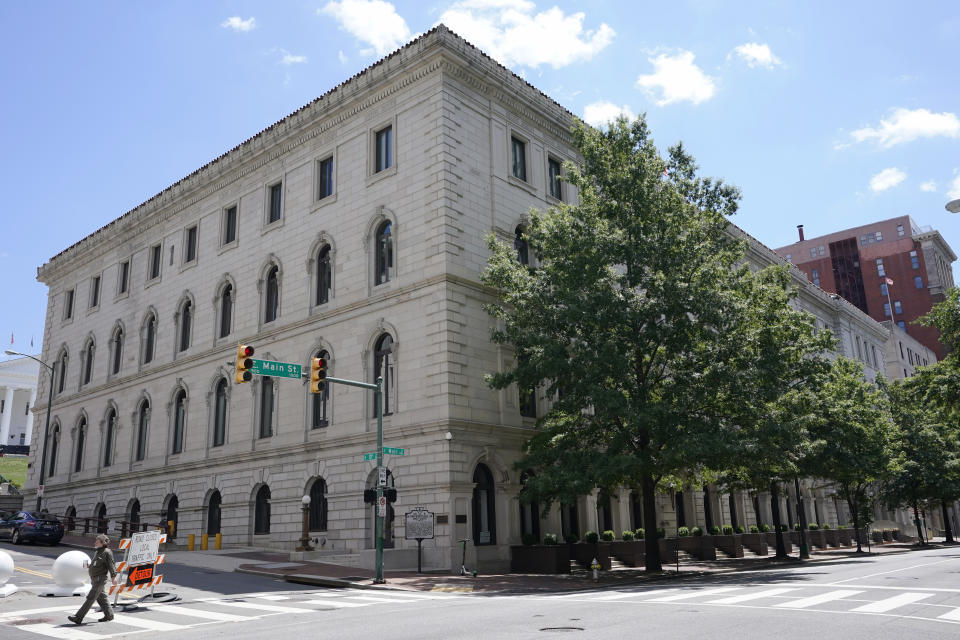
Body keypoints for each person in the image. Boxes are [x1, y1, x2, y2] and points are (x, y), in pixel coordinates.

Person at [67, 533, 117, 625]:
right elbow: (96, 564)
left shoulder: (107, 552)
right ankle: (109, 615)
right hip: (94, 579)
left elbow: (111, 565)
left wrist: (113, 578)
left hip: (100, 579)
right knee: (101, 598)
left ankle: (78, 617)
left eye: (97, 541)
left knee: (91, 598)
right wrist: (89, 566)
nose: (95, 542)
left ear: (102, 543)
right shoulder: (98, 551)